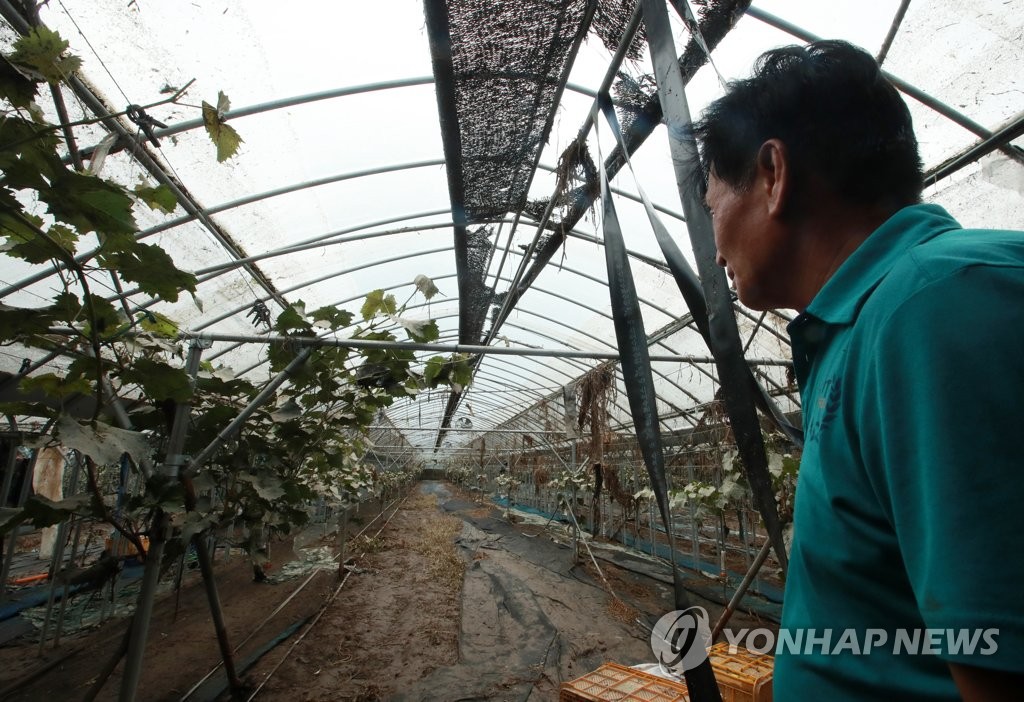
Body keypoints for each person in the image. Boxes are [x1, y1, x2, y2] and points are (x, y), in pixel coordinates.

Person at [690, 40, 1024, 700]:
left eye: (711, 208)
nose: (716, 242)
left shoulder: (934, 305)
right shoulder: (860, 325)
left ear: (773, 173)